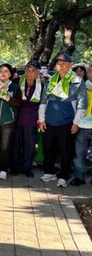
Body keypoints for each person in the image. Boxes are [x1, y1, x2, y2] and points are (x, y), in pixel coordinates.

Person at [39, 52, 87, 187]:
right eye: (58, 63)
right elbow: (44, 100)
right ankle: (49, 172)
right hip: (49, 121)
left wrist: (76, 122)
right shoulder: (50, 80)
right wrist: (41, 119)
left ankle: (64, 175)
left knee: (66, 151)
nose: (60, 65)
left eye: (64, 63)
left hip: (66, 122)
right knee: (48, 148)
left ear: (70, 65)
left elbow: (82, 103)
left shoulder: (77, 81)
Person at [11, 60, 42, 177]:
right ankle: (14, 167)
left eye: (33, 71)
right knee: (15, 144)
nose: (29, 73)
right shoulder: (16, 82)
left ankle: (26, 168)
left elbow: (42, 104)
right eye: (27, 70)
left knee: (29, 145)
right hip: (16, 117)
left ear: (38, 73)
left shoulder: (42, 85)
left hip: (31, 119)